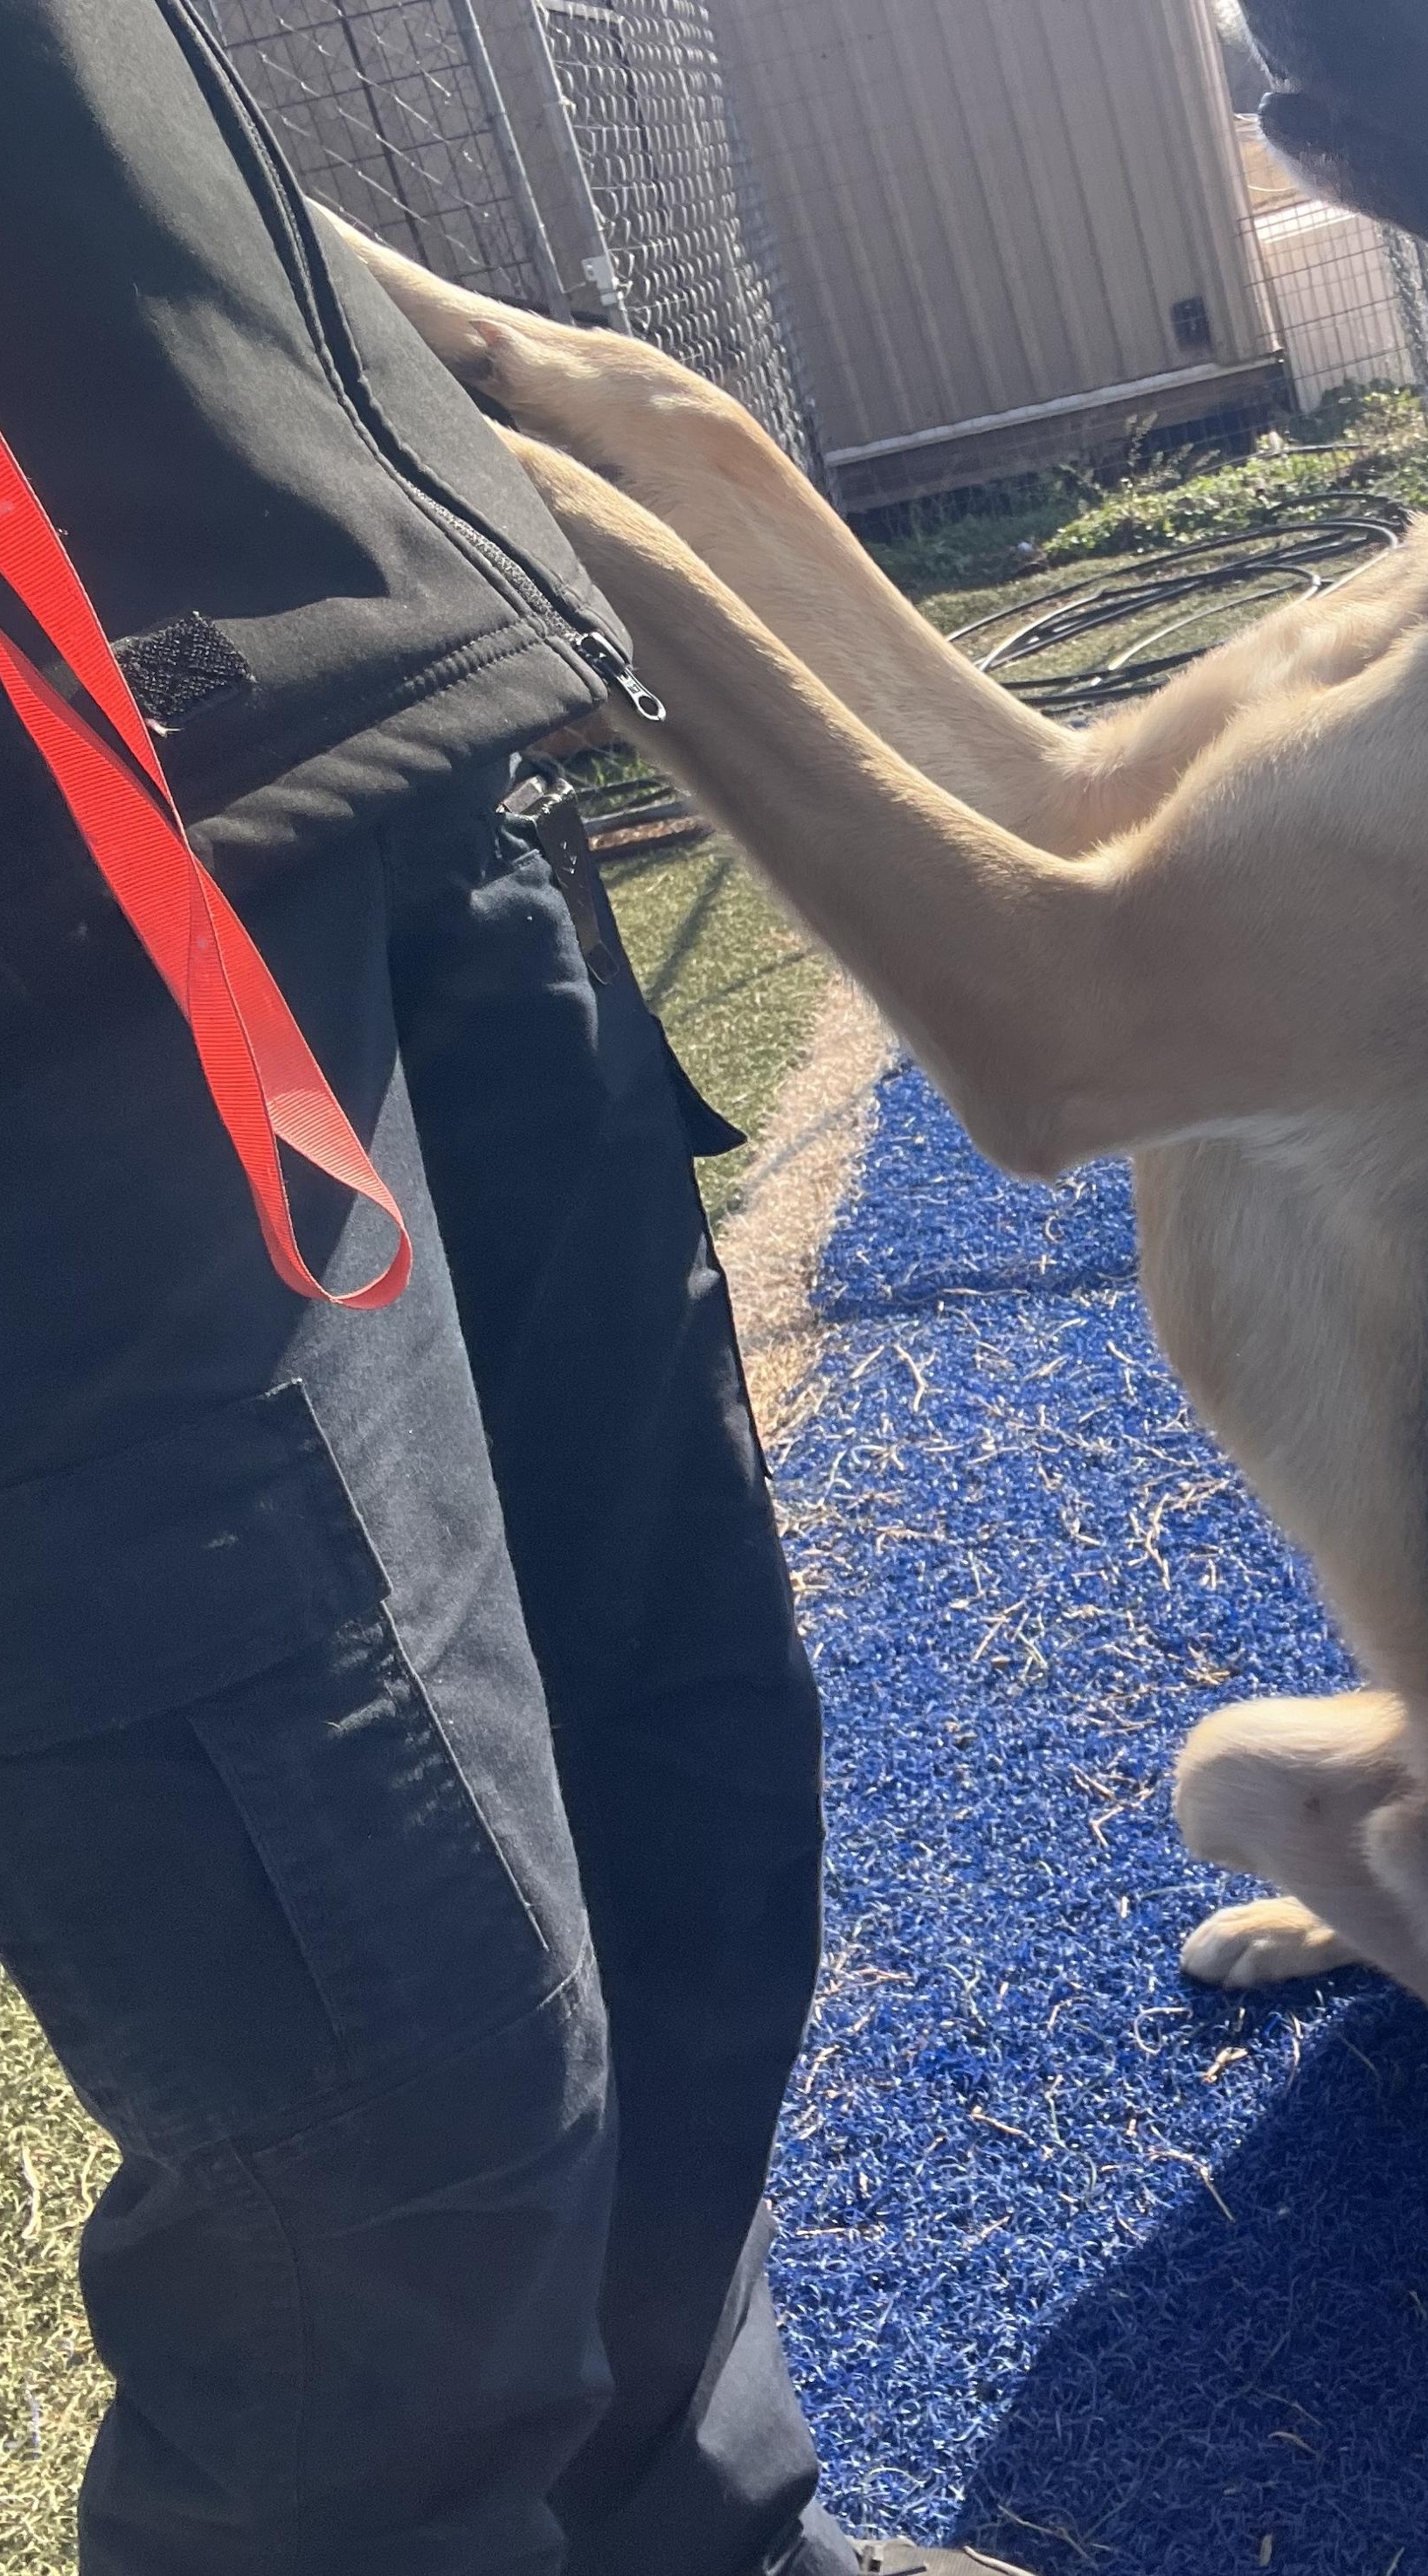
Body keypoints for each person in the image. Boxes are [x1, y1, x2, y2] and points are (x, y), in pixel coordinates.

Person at [0, 5, 1019, 2571]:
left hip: (360, 665)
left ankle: (711, 2536)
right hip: (57, 891)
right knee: (401, 2099)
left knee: (677, 1783)